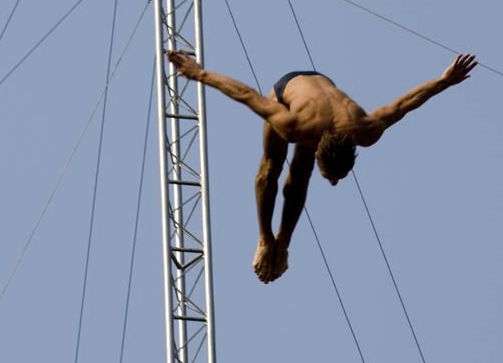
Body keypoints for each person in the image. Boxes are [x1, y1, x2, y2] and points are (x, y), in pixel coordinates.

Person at [167, 50, 477, 284]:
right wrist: (199, 73)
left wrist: (444, 81)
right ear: (317, 152)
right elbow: (247, 94)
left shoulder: (366, 131)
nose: (334, 183)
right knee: (270, 168)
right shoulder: (292, 125)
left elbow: (403, 104)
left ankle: (284, 244)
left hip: (325, 92)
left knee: (299, 176)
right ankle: (266, 240)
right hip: (290, 90)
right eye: (331, 177)